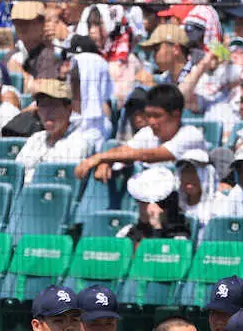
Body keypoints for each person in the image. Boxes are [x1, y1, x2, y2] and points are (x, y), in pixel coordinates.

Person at [75, 84, 207, 182]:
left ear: (176, 115)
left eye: (157, 116)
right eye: (148, 116)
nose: (151, 121)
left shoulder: (191, 134)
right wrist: (107, 162)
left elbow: (150, 155)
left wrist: (101, 157)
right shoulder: (148, 133)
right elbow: (124, 150)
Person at [15, 80, 98, 179]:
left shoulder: (79, 142)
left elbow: (64, 180)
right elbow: (16, 175)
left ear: (68, 109)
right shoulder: (35, 139)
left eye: (53, 105)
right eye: (43, 105)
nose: (48, 112)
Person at [118, 165, 192, 246]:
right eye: (139, 201)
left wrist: (157, 228)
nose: (140, 206)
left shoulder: (179, 237)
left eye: (145, 202)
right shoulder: (127, 231)